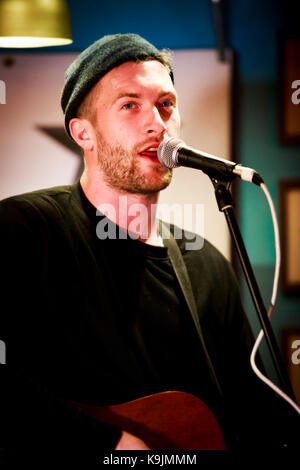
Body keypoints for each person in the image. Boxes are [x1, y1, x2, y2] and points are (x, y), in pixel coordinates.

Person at [0, 33, 297, 462]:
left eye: (166, 104)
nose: (156, 123)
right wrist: (110, 444)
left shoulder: (206, 265)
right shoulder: (25, 231)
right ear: (83, 133)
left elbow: (251, 412)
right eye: (129, 105)